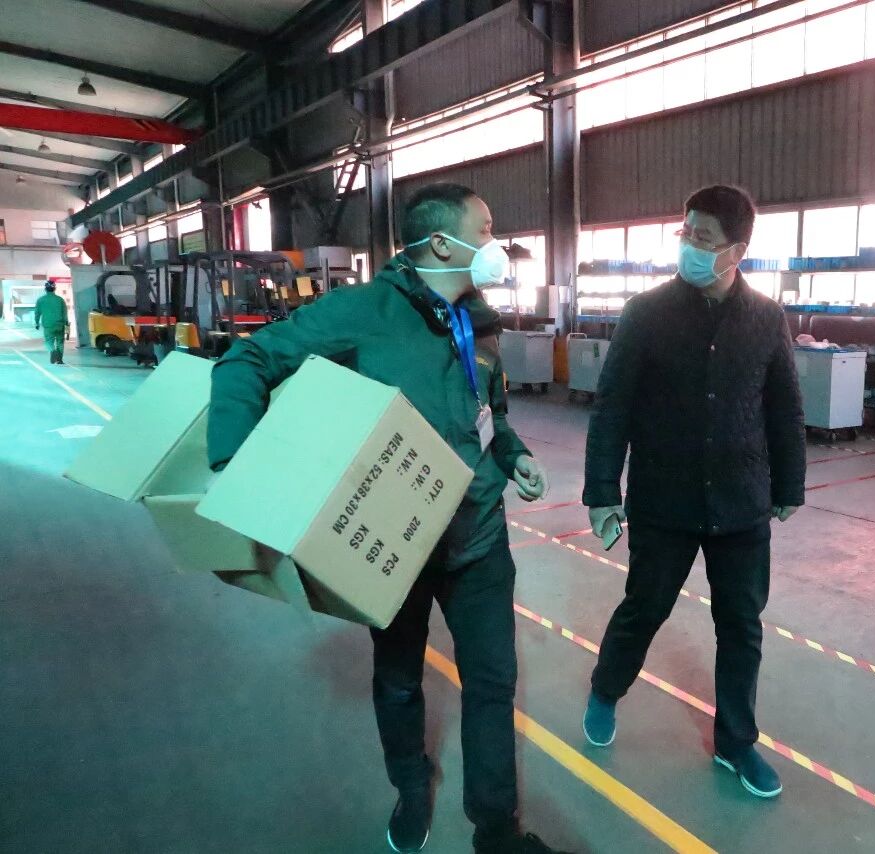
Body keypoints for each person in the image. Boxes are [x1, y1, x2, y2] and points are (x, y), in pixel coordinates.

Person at [206, 183, 569, 854]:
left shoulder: (480, 320)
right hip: (398, 547)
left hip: (480, 538)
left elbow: (489, 410)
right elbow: (247, 358)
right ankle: (411, 785)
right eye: (485, 229)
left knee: (493, 682)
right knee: (400, 681)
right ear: (442, 244)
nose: (496, 244)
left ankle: (496, 828)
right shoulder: (362, 312)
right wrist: (240, 465)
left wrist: (512, 454)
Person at [580, 185, 807, 799]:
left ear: (737, 251)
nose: (689, 245)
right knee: (645, 609)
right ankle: (605, 690)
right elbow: (612, 407)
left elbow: (784, 407)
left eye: (703, 238)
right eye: (685, 233)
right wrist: (602, 491)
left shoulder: (766, 319)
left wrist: (789, 483)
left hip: (741, 503)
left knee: (742, 626)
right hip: (665, 500)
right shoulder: (646, 313)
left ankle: (736, 744)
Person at [33, 281, 68, 365]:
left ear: (45, 289)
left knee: (48, 342)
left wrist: (37, 323)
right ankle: (59, 360)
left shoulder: (40, 300)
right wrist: (67, 325)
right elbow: (65, 313)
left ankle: (52, 351)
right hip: (60, 324)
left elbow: (37, 313)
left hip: (48, 325)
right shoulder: (60, 299)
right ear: (54, 289)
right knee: (60, 343)